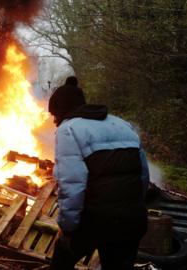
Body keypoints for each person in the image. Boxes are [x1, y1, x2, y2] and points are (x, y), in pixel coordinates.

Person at [48, 77, 149, 270]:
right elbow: (143, 177)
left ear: (62, 111)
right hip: (133, 220)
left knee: (61, 262)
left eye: (54, 114)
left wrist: (67, 228)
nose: (54, 121)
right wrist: (131, 207)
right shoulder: (122, 124)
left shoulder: (68, 130)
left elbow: (72, 185)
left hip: (96, 221)